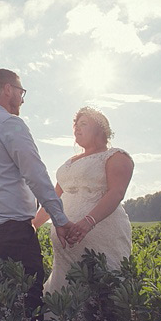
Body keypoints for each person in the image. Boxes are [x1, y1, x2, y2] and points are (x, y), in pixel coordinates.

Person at [0, 68, 77, 321]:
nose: (22, 99)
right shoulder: (9, 124)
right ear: (7, 90)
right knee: (30, 306)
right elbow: (35, 173)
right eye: (20, 91)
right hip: (11, 231)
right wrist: (60, 220)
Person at [32, 106, 134, 296]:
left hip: (102, 236)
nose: (77, 129)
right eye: (75, 125)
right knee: (64, 299)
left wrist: (88, 222)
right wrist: (34, 224)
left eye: (84, 124)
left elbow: (116, 192)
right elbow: (54, 198)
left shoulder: (116, 156)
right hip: (66, 245)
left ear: (100, 128)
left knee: (100, 296)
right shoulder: (70, 162)